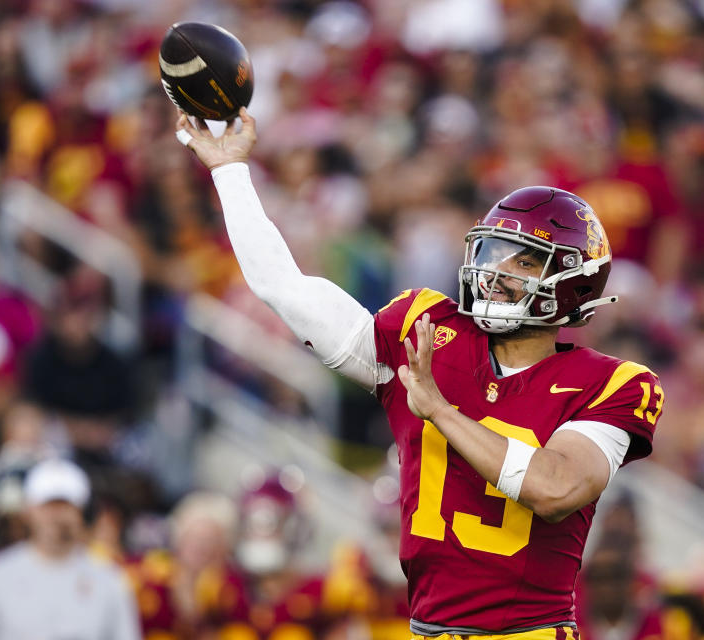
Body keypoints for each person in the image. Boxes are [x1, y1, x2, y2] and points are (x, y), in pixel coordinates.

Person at [175, 108, 663, 637]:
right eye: (494, 253)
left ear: (573, 283)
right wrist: (229, 171)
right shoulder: (430, 331)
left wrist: (440, 411)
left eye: (523, 261)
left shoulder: (612, 384)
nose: (496, 273)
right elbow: (284, 289)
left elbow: (556, 487)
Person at [0, 458, 140, 640]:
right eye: (48, 506)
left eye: (65, 506)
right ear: (28, 510)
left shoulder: (109, 579)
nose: (56, 515)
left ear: (81, 512)